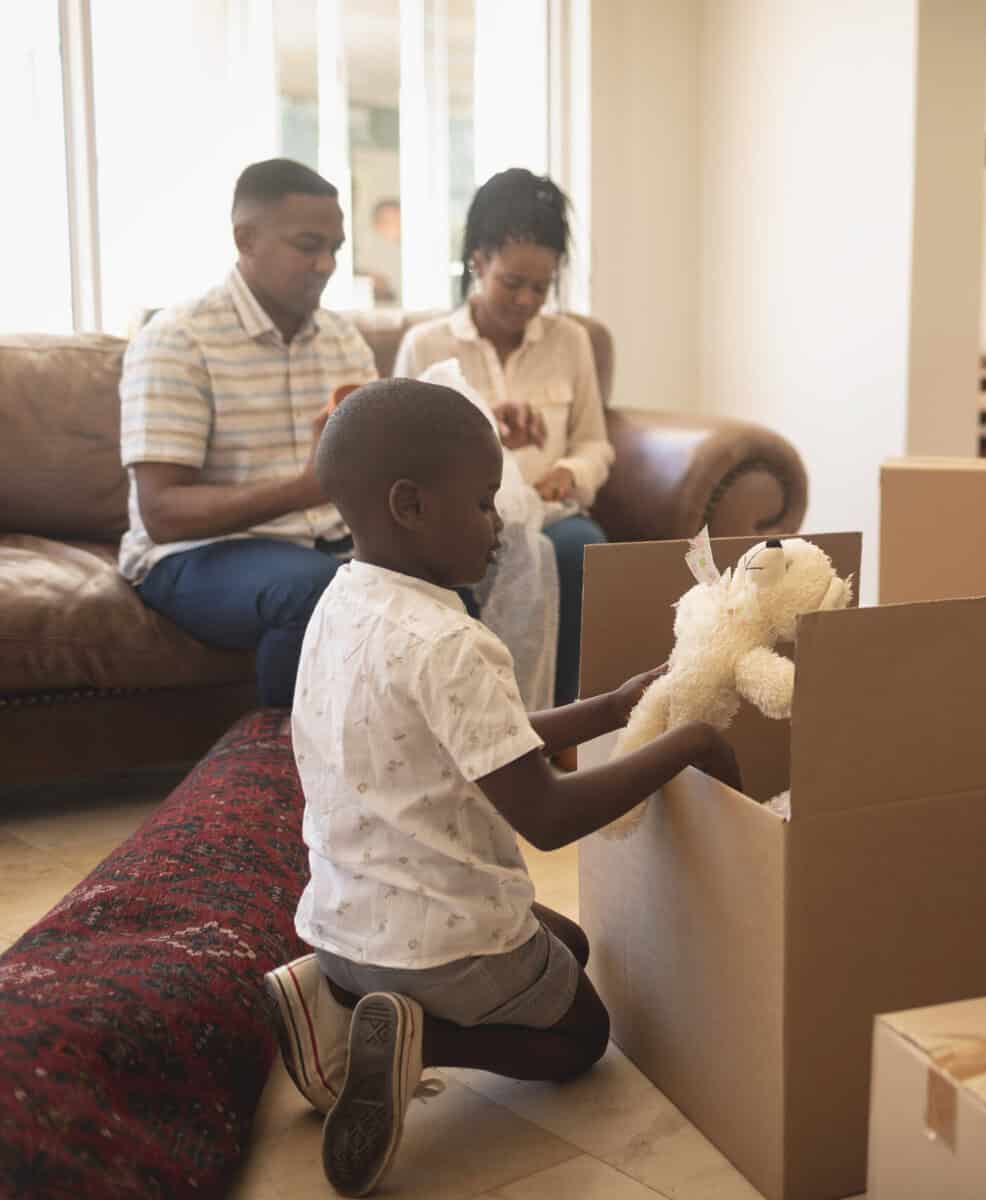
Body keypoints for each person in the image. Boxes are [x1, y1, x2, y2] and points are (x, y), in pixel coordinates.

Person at [259, 378, 740, 1197]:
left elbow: (485, 746)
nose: (502, 522)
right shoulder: (454, 641)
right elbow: (548, 818)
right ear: (409, 505)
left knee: (572, 947)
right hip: (437, 943)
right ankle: (415, 1040)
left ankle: (335, 998)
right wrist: (685, 744)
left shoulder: (342, 602)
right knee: (579, 1038)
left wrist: (613, 709)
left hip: (343, 925)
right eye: (484, 502)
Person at [119, 158, 377, 708]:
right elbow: (162, 514)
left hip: (324, 541)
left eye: (336, 246)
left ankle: (435, 778)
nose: (327, 264)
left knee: (440, 587)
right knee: (318, 592)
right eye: (308, 245)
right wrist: (306, 488)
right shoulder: (178, 340)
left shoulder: (343, 340)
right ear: (245, 238)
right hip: (195, 554)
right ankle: (281, 784)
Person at [394, 169, 612, 708]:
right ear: (477, 262)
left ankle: (565, 718)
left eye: (541, 287)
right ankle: (473, 720)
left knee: (580, 547)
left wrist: (570, 474)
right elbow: (398, 451)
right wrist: (487, 431)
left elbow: (594, 443)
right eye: (512, 282)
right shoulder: (427, 345)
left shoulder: (571, 342)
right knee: (471, 559)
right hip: (458, 519)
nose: (525, 300)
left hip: (550, 511)